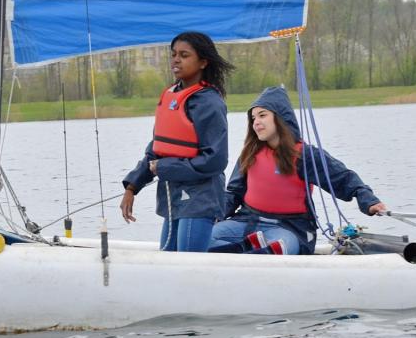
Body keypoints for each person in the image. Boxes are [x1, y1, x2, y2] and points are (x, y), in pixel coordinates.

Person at [208, 86, 386, 255]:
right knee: (203, 237)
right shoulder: (250, 153)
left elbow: (343, 178)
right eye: (253, 118)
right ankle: (247, 247)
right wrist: (213, 216)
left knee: (281, 246)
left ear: (280, 118)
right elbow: (233, 193)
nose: (256, 122)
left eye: (262, 115)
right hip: (247, 221)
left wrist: (368, 200)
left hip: (289, 228)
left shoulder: (305, 155)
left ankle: (247, 249)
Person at [120, 32, 234, 252]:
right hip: (173, 199)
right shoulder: (170, 97)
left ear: (203, 62)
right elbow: (156, 149)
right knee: (168, 261)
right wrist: (132, 187)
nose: (176, 60)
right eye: (173, 55)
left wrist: (165, 168)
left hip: (200, 199)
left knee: (187, 265)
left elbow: (215, 160)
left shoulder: (209, 103)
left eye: (184, 55)